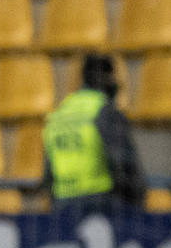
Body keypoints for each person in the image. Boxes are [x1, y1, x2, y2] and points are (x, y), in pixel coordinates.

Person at [43, 54, 144, 214]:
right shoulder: (104, 111)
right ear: (108, 78)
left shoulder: (59, 115)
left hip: (64, 206)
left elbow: (48, 173)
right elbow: (123, 163)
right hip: (101, 203)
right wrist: (136, 202)